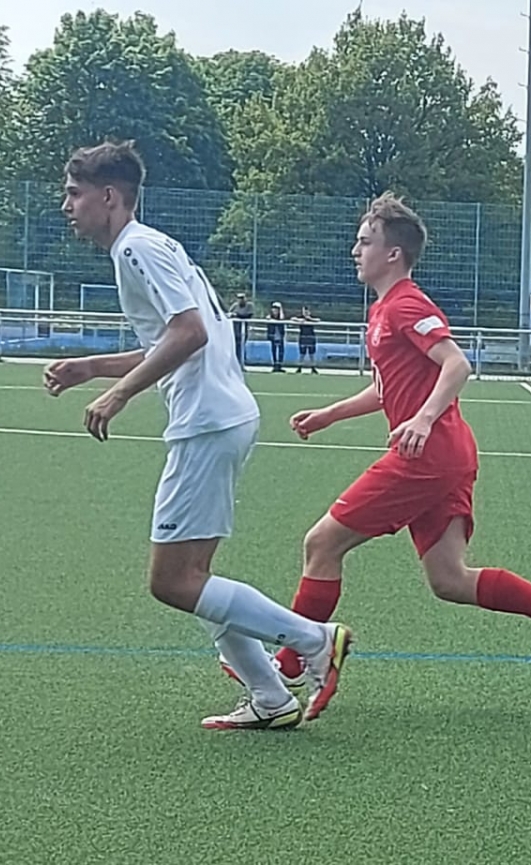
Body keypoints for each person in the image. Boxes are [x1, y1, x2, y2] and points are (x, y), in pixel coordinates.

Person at [47, 141, 349, 730]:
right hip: (219, 417)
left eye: (74, 194)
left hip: (207, 422)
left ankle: (314, 640)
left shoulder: (135, 248)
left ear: (108, 196)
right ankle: (271, 698)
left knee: (172, 581)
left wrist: (119, 393)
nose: (67, 205)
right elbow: (173, 338)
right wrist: (92, 367)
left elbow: (189, 334)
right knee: (194, 577)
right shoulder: (149, 246)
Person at [277, 193, 531, 690]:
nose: (355, 250)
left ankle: (290, 663)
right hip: (445, 455)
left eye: (365, 242)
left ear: (393, 254)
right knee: (449, 579)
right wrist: (329, 415)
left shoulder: (406, 304)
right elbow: (387, 388)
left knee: (322, 543)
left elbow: (456, 363)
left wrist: (424, 420)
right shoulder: (383, 310)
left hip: (426, 457)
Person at [292, 305, 320, 373]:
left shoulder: (311, 317)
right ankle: (299, 367)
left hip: (311, 337)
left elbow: (318, 320)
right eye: (304, 311)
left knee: (311, 354)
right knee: (302, 353)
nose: (305, 313)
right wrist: (300, 320)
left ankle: (313, 368)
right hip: (303, 337)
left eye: (307, 311)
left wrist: (310, 319)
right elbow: (293, 318)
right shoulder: (300, 317)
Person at [229, 293, 253, 365]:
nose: (240, 300)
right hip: (235, 329)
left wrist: (237, 315)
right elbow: (229, 313)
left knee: (242, 345)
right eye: (239, 298)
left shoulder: (249, 305)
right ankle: (236, 362)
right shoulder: (235, 305)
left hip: (243, 329)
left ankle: (242, 361)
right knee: (235, 345)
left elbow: (248, 315)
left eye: (242, 298)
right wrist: (232, 315)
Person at [264, 302, 288, 373]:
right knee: (274, 350)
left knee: (281, 351)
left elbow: (282, 318)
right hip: (273, 336)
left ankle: (280, 365)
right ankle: (275, 365)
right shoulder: (270, 316)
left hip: (280, 336)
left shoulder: (281, 316)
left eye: (277, 309)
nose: (275, 311)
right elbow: (268, 319)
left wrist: (281, 309)